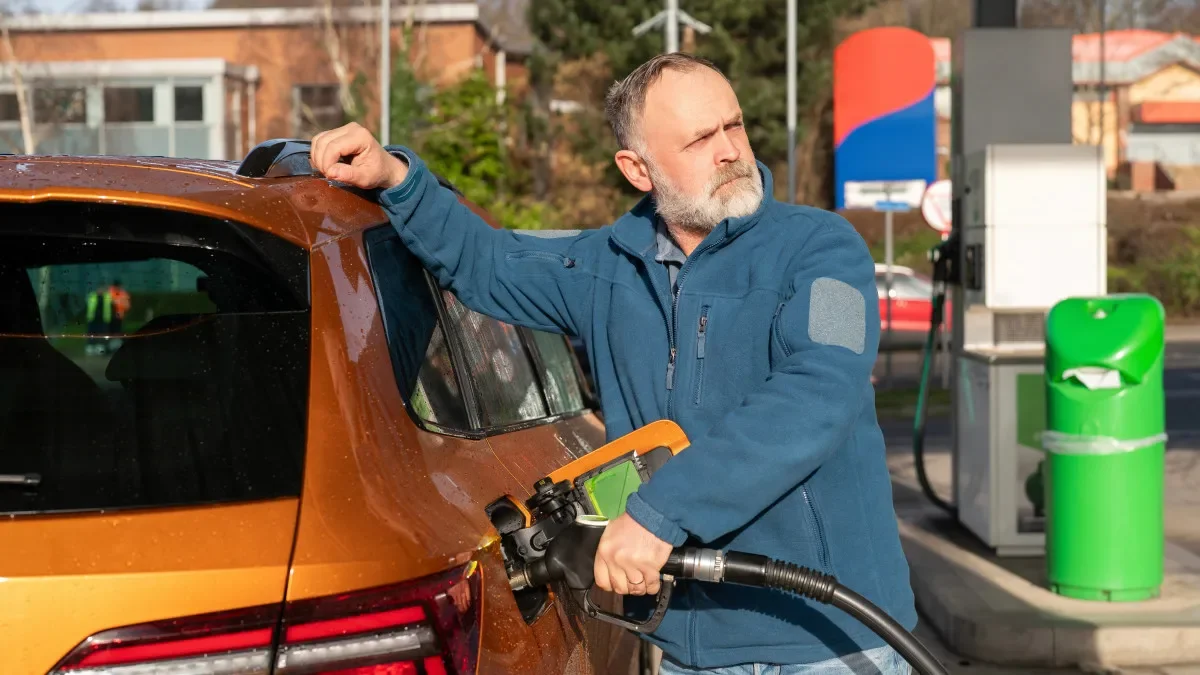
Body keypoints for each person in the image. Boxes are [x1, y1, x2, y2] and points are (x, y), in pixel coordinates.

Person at [310, 52, 915, 674]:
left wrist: (660, 514)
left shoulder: (824, 248)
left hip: (826, 641)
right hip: (692, 646)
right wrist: (396, 178)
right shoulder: (605, 266)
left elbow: (822, 389)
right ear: (637, 169)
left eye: (733, 126)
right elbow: (486, 264)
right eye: (701, 138)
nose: (731, 150)